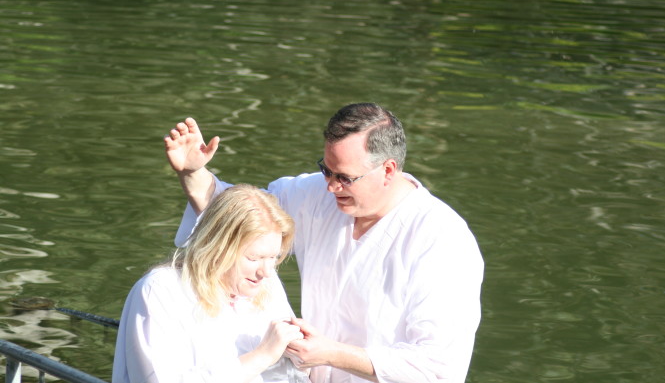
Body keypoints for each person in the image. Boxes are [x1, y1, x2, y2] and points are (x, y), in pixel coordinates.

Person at [166, 103, 484, 383]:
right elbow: (240, 221)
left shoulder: (442, 241)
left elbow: (439, 368)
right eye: (326, 170)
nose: (331, 187)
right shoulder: (315, 195)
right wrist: (194, 174)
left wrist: (332, 354)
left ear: (388, 170)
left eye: (344, 177)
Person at [112, 184, 311, 383]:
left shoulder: (267, 286)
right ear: (217, 247)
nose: (266, 272)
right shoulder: (161, 291)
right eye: (253, 258)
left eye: (273, 258)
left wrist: (302, 357)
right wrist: (262, 356)